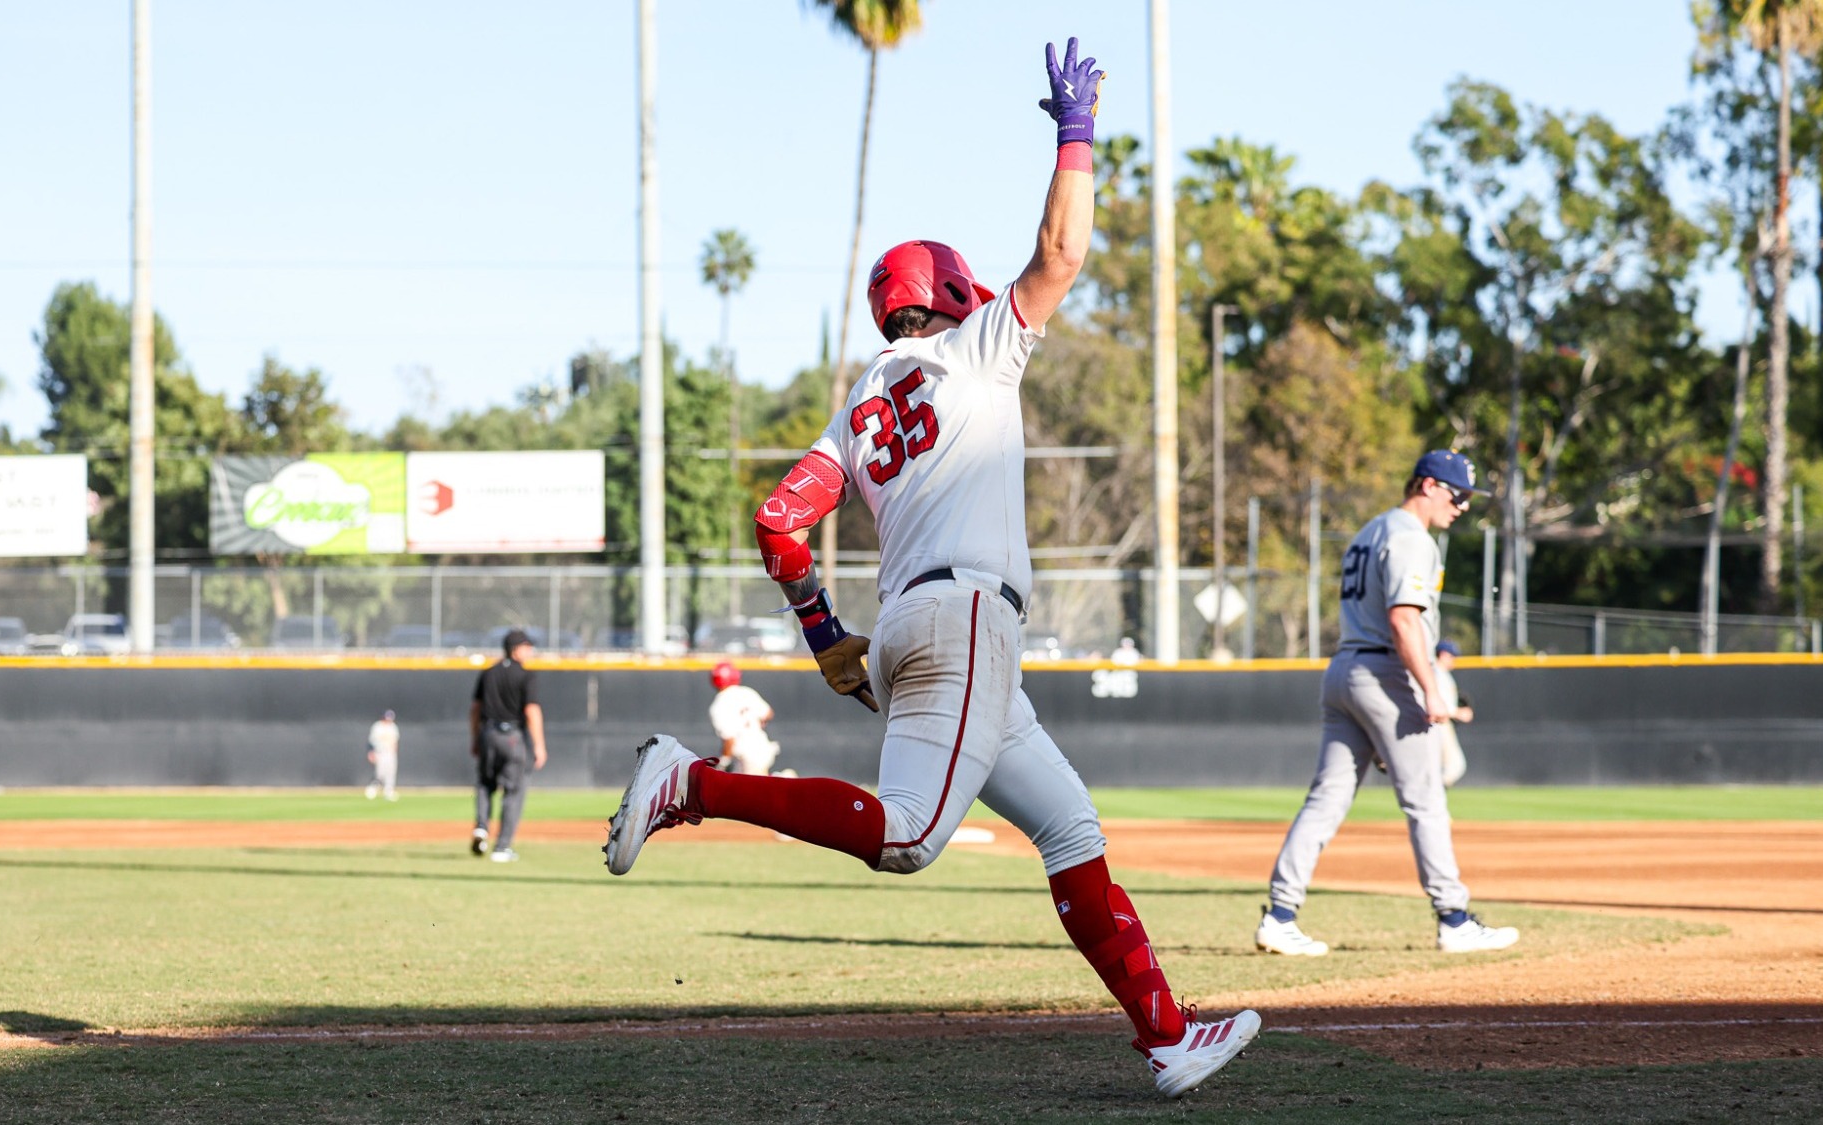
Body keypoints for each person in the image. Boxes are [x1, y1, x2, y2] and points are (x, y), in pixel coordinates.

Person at [603, 38, 1259, 1100]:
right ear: (950, 295)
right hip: (961, 623)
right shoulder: (972, 350)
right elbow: (1058, 256)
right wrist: (1076, 133)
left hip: (919, 625)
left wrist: (822, 638)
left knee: (1069, 830)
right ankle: (694, 783)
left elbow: (779, 521)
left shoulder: (858, 406)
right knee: (905, 838)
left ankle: (1167, 1035)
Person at [1254, 450, 1518, 958]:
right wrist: (1431, 687)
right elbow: (1403, 620)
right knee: (1425, 800)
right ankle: (1455, 919)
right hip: (1386, 672)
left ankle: (1280, 915)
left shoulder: (1370, 531)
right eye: (1457, 493)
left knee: (1326, 799)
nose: (1462, 506)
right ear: (1426, 486)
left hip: (1346, 668)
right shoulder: (1409, 537)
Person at [471, 628, 546, 863]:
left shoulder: (488, 673)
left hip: (487, 733)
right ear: (516, 649)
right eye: (527, 646)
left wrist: (475, 738)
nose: (530, 651)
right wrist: (539, 745)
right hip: (512, 736)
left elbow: (475, 709)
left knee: (485, 783)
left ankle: (481, 826)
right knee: (513, 792)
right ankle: (502, 847)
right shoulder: (525, 675)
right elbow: (531, 711)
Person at [707, 661, 783, 776]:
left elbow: (729, 739)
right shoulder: (746, 692)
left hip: (748, 755)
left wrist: (723, 762)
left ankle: (786, 778)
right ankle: (781, 779)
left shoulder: (718, 705)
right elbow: (768, 713)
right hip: (762, 747)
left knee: (754, 791)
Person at [1434, 639, 1473, 787]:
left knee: (1451, 765)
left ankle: (1432, 793)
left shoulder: (1443, 674)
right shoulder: (1436, 673)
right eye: (1452, 656)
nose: (1454, 660)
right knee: (1455, 765)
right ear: (1443, 655)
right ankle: (1433, 793)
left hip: (1443, 723)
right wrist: (1458, 713)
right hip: (1439, 723)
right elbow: (1438, 703)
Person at [365, 709, 400, 801]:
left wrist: (394, 752)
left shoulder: (393, 727)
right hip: (380, 752)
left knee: (391, 772)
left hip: (390, 752)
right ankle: (372, 788)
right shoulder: (377, 726)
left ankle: (388, 791)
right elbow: (371, 741)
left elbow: (395, 741)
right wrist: (371, 752)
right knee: (380, 772)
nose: (388, 719)